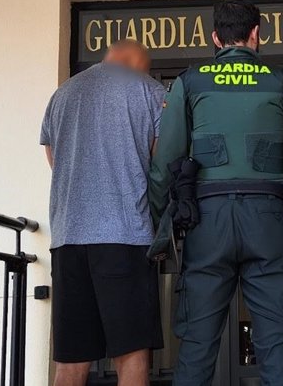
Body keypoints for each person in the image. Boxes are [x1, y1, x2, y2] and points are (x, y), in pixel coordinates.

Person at [149, 0, 283, 386]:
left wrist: (155, 228)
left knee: (198, 345)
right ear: (257, 34)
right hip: (268, 219)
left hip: (207, 223)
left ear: (215, 37)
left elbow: (162, 163)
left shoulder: (190, 81)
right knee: (276, 343)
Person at [40, 39, 165, 386]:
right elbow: (159, 162)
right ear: (136, 62)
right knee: (132, 354)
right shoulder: (149, 91)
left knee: (70, 360)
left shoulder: (61, 94)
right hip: (124, 238)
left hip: (67, 237)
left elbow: (53, 156)